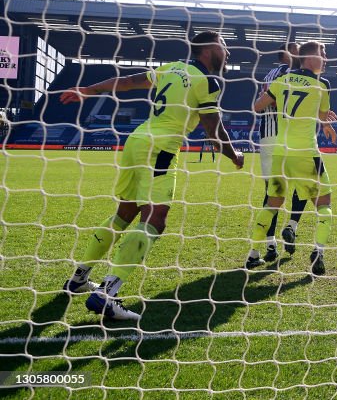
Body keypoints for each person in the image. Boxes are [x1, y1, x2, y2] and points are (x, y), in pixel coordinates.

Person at [61, 31, 243, 320]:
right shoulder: (207, 81)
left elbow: (128, 82)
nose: (228, 52)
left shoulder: (170, 68)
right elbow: (213, 131)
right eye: (224, 45)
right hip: (160, 148)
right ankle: (107, 294)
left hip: (137, 141)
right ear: (208, 49)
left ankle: (79, 278)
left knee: (124, 213)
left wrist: (88, 89)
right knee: (155, 219)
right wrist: (236, 156)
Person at [247, 41, 337, 275]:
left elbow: (257, 107)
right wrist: (325, 122)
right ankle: (318, 253)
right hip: (306, 153)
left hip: (280, 152)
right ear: (309, 58)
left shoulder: (280, 80)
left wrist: (277, 99)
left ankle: (252, 254)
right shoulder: (322, 84)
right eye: (323, 54)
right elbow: (321, 114)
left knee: (272, 203)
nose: (326, 58)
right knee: (324, 204)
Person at [256, 42, 308, 261]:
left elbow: (259, 103)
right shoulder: (293, 74)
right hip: (288, 137)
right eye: (298, 51)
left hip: (267, 138)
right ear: (289, 54)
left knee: (271, 195)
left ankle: (270, 245)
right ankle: (292, 226)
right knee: (304, 185)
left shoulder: (269, 74)